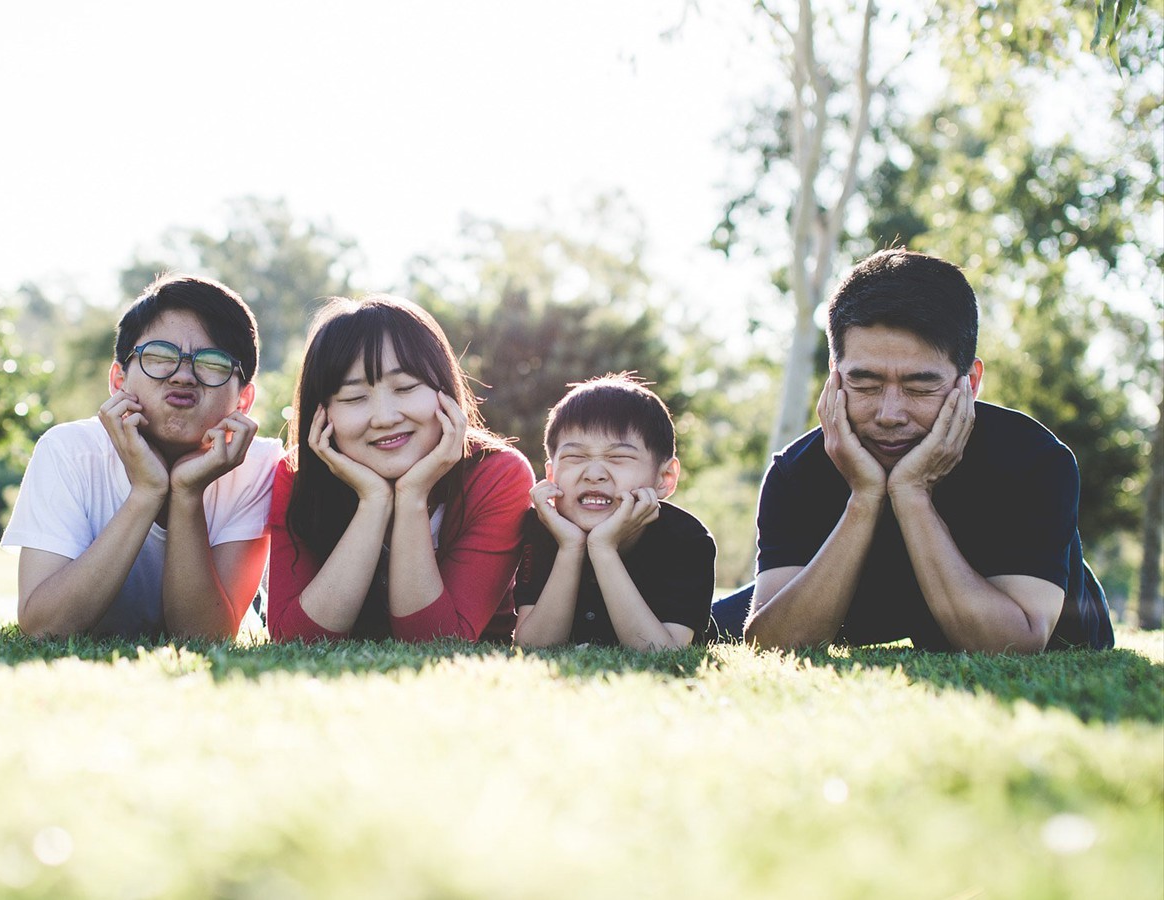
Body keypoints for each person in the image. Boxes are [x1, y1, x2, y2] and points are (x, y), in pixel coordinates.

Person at [712, 249, 1114, 652]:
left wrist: (911, 494)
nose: (890, 415)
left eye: (920, 387)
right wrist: (865, 498)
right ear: (834, 380)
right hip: (864, 594)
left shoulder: (1035, 461)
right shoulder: (795, 472)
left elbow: (1016, 645)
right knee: (698, 625)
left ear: (970, 384)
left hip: (1012, 598)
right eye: (866, 385)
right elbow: (772, 644)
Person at [5, 274, 280, 640]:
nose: (183, 376)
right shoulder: (68, 451)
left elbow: (203, 639)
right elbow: (43, 627)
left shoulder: (256, 466)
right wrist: (147, 491)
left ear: (243, 400)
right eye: (159, 357)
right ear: (118, 381)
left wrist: (186, 492)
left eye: (212, 363)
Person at [266, 294, 533, 642]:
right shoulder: (297, 477)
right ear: (322, 413)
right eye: (354, 398)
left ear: (445, 390)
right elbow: (296, 640)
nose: (385, 418)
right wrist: (374, 501)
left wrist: (412, 496)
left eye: (405, 388)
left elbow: (436, 642)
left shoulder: (498, 477)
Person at [513, 374, 716, 649]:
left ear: (665, 477)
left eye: (618, 458)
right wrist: (570, 547)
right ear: (551, 474)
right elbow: (533, 647)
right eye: (575, 457)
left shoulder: (686, 538)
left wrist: (603, 548)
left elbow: (662, 653)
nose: (594, 474)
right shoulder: (542, 526)